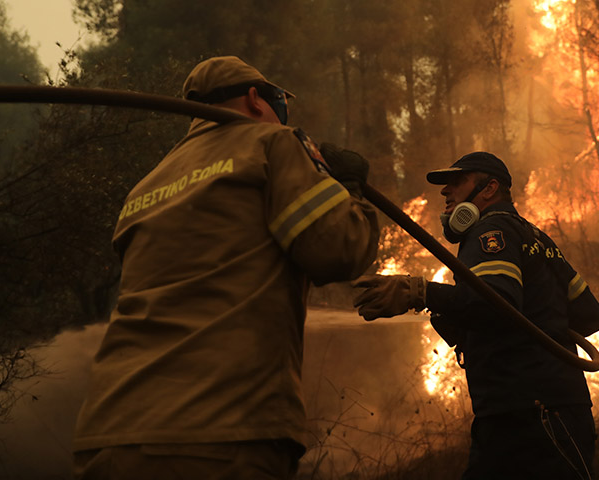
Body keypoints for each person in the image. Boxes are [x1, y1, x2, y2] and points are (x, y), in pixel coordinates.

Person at [72, 55, 380, 479]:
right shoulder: (271, 143)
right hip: (220, 431)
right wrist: (348, 189)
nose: (283, 115)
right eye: (280, 104)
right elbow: (339, 251)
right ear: (255, 99)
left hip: (108, 436)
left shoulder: (146, 187)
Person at [354, 151, 599, 480]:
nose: (446, 192)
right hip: (554, 411)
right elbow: (590, 315)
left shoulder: (490, 232)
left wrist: (419, 293)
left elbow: (494, 302)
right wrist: (538, 323)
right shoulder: (537, 238)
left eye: (457, 182)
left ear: (489, 189)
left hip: (525, 418)